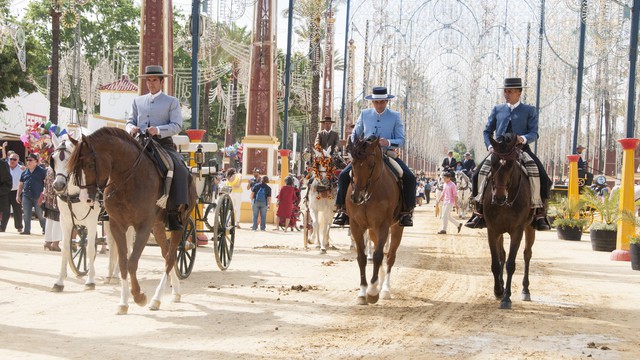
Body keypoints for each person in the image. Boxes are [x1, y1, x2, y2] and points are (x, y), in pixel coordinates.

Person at [465, 77, 551, 231]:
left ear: (519, 92)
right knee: (477, 173)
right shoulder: (497, 109)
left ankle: (540, 213)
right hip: (498, 150)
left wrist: (523, 138)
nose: (506, 93)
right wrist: (490, 146)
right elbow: (487, 131)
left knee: (543, 176)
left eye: (510, 91)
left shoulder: (529, 110)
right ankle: (478, 211)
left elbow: (534, 133)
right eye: (505, 91)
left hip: (520, 149)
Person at [333, 86, 416, 227]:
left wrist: (388, 142)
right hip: (365, 155)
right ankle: (342, 210)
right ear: (372, 102)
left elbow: (401, 140)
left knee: (409, 176)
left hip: (386, 154)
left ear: (387, 102)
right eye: (376, 102)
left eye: (382, 102)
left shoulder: (395, 116)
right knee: (343, 176)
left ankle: (406, 212)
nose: (379, 104)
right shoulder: (365, 114)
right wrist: (355, 144)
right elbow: (355, 134)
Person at [126, 65, 190, 231]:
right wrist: (130, 129)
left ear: (162, 81)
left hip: (162, 144)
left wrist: (158, 130)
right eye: (149, 80)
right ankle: (110, 205)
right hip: (139, 143)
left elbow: (177, 126)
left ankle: (174, 211)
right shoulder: (137, 101)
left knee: (180, 169)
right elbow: (129, 121)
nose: (151, 83)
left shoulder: (172, 102)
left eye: (154, 80)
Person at [17, 153, 46, 235]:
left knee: (40, 214)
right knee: (26, 214)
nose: (28, 162)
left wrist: (44, 194)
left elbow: (46, 183)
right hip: (26, 195)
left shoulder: (42, 171)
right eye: (27, 160)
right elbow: (21, 184)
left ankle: (45, 229)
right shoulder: (24, 172)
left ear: (36, 162)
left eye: (30, 160)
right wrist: (18, 195)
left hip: (38, 196)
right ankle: (26, 230)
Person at [42, 164, 62, 251]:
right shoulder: (58, 168)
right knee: (57, 221)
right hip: (56, 197)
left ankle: (47, 242)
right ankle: (55, 243)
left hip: (48, 197)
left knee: (50, 220)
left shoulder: (49, 168)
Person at [4, 153, 23, 232]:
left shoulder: (22, 169)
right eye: (11, 159)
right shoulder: (4, 167)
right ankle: (2, 227)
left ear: (18, 160)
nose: (12, 161)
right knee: (4, 210)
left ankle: (19, 227)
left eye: (14, 159)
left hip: (16, 191)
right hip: (5, 191)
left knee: (17, 210)